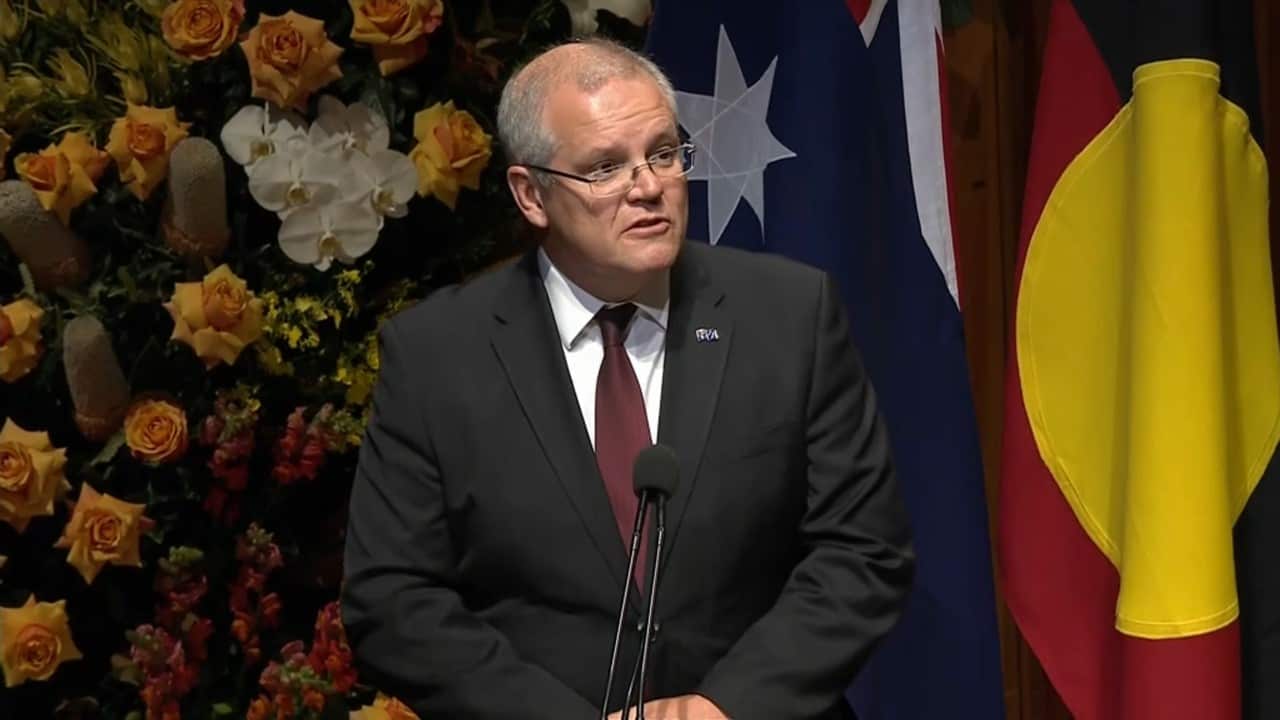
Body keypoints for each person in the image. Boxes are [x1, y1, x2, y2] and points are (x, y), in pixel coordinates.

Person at [341, 37, 915, 720]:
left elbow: (863, 551)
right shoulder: (438, 354)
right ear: (531, 195)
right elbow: (392, 597)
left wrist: (726, 706)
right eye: (606, 168)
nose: (649, 187)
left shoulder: (790, 316)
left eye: (664, 153)